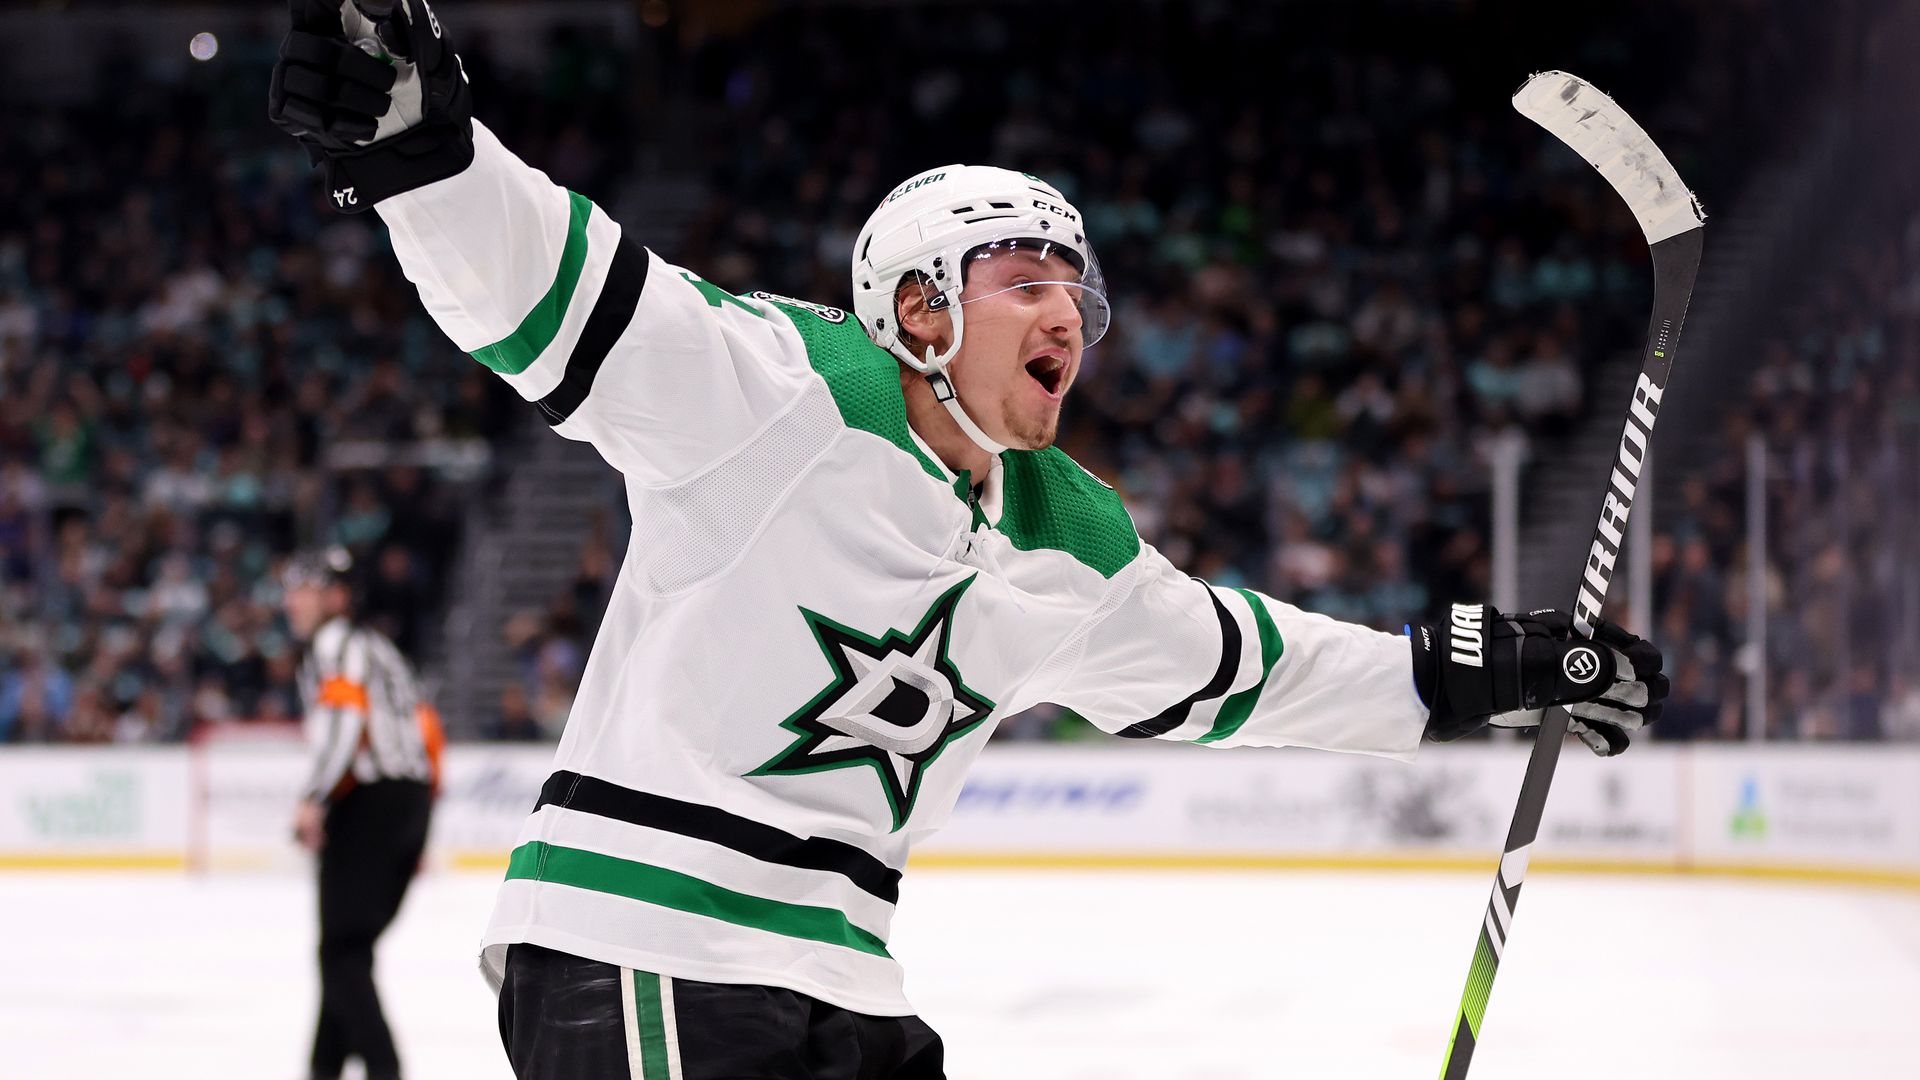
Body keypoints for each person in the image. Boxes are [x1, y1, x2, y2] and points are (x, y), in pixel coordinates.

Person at [268, 4, 1669, 1076]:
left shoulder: (1068, 540)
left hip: (843, 982)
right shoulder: (782, 391)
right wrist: (419, 153)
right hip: (645, 944)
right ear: (919, 309)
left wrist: (1482, 669)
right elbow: (547, 278)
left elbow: (1249, 666)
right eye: (1023, 277)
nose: (1067, 311)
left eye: (1076, 287)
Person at [282, 547, 442, 1080]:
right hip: (406, 804)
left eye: (304, 589)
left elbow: (343, 727)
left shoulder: (335, 643)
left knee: (341, 951)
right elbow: (429, 733)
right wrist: (421, 822)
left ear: (337, 597)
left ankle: (383, 1067)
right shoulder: (380, 648)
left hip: (369, 803)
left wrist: (314, 797)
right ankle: (324, 1066)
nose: (291, 600)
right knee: (348, 949)